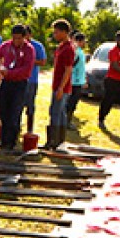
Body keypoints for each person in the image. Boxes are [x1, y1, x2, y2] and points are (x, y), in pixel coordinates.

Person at [0, 24, 35, 153]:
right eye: (14, 38)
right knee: (3, 111)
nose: (16, 41)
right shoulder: (6, 45)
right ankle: (4, 140)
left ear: (24, 37)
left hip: (20, 84)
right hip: (6, 82)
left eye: (19, 38)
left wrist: (9, 72)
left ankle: (12, 142)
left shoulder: (29, 49)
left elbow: (26, 70)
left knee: (15, 112)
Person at [44, 20, 75, 150]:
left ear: (64, 32)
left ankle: (53, 141)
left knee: (55, 112)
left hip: (61, 87)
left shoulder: (68, 48)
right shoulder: (61, 46)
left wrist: (61, 88)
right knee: (60, 113)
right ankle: (59, 141)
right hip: (57, 86)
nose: (54, 34)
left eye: (56, 32)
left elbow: (68, 70)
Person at [22, 25, 47, 134]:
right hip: (19, 79)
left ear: (30, 35)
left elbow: (43, 61)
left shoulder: (37, 46)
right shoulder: (18, 45)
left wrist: (30, 61)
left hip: (31, 80)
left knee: (30, 105)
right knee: (17, 104)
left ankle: (30, 129)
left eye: (26, 35)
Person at [66, 32, 88, 130]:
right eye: (84, 41)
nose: (85, 43)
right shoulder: (76, 52)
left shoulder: (80, 51)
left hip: (78, 81)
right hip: (74, 81)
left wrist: (84, 80)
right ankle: (67, 122)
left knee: (73, 103)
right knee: (71, 103)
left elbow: (81, 68)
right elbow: (71, 65)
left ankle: (68, 121)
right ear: (79, 41)